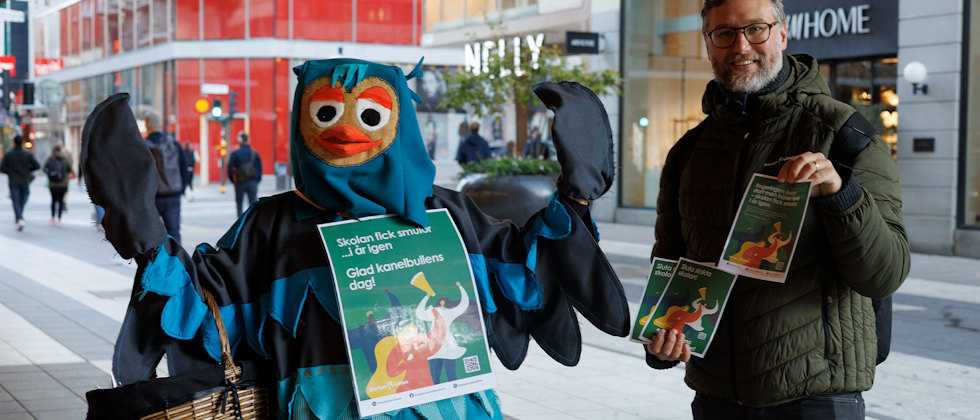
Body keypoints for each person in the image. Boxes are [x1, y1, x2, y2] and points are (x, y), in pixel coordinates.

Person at [82, 61, 627, 420]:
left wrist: (575, 198)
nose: (347, 129)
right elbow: (208, 310)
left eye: (370, 114)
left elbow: (525, 275)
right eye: (326, 113)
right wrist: (146, 234)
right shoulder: (272, 223)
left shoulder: (446, 212)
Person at [645, 1, 910, 418]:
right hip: (716, 396)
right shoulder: (690, 152)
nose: (740, 46)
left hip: (814, 397)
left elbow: (885, 273)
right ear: (708, 45)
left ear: (782, 35)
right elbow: (672, 260)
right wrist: (663, 339)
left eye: (755, 30)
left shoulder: (843, 135)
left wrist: (841, 195)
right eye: (724, 34)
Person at [144, 110, 187, 244]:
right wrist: (181, 190)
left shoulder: (142, 146)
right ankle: (177, 262)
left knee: (151, 235)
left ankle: (156, 263)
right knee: (174, 233)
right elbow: (184, 169)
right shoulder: (174, 144)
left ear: (147, 125)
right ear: (160, 124)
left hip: (151, 198)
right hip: (173, 195)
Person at [1, 135, 40, 231]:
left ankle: (19, 217)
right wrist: (28, 170)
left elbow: (2, 168)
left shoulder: (9, 154)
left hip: (14, 181)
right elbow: (37, 165)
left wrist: (10, 172)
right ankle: (20, 217)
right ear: (22, 142)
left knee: (16, 201)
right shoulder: (26, 154)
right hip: (24, 180)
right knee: (22, 200)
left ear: (14, 142)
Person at [227, 132, 262, 217]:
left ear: (240, 141)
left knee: (239, 204)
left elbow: (230, 169)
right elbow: (259, 168)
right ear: (248, 140)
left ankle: (240, 225)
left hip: (240, 183)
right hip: (252, 182)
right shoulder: (255, 153)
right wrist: (256, 180)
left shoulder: (235, 153)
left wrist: (233, 180)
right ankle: (251, 223)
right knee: (253, 204)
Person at [43, 144, 75, 225]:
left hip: (53, 184)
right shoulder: (65, 159)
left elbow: (44, 169)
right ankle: (59, 219)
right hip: (63, 184)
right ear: (60, 150)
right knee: (60, 201)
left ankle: (52, 218)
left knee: (53, 201)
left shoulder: (50, 158)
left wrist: (50, 174)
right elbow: (70, 170)